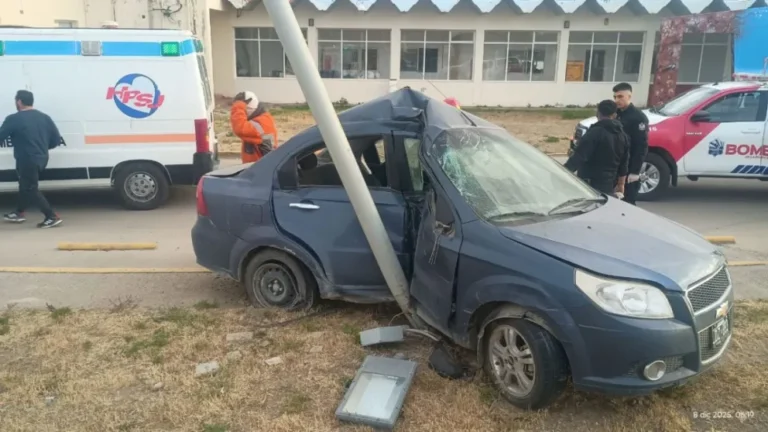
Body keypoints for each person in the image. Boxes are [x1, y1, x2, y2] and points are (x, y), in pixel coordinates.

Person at [0, 90, 62, 228]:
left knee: (30, 188)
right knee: (25, 184)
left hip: (26, 158)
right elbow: (56, 140)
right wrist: (42, 148)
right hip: (42, 157)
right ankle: (19, 212)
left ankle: (51, 216)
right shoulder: (44, 117)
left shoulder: (13, 119)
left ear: (19, 101)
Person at [564, 100, 629, 198]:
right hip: (608, 185)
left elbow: (579, 157)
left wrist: (562, 173)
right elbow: (624, 163)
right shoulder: (623, 135)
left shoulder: (594, 133)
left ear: (598, 113)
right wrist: (621, 184)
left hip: (589, 185)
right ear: (614, 115)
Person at [612, 82, 649, 205]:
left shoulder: (638, 117)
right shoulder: (616, 114)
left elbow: (641, 145)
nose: (617, 100)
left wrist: (635, 171)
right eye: (615, 97)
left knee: (628, 202)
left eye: (620, 96)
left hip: (629, 166)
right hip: (616, 166)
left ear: (629, 96)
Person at [230, 91, 278, 164]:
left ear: (249, 109)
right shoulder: (261, 118)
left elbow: (239, 128)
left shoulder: (261, 123)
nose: (243, 114)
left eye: (243, 111)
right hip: (258, 166)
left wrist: (238, 107)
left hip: (261, 167)